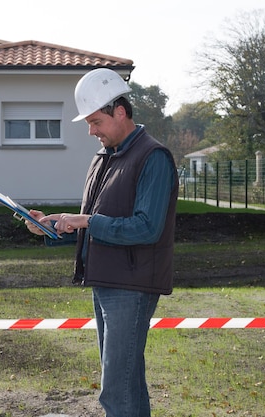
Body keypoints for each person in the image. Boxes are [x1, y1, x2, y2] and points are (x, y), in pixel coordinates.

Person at [24, 68, 178, 417]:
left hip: (131, 287)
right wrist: (51, 228)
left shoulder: (153, 157)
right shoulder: (105, 158)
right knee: (128, 384)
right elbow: (94, 225)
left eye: (95, 122)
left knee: (116, 392)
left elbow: (146, 228)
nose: (91, 131)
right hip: (106, 282)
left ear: (119, 112)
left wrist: (87, 221)